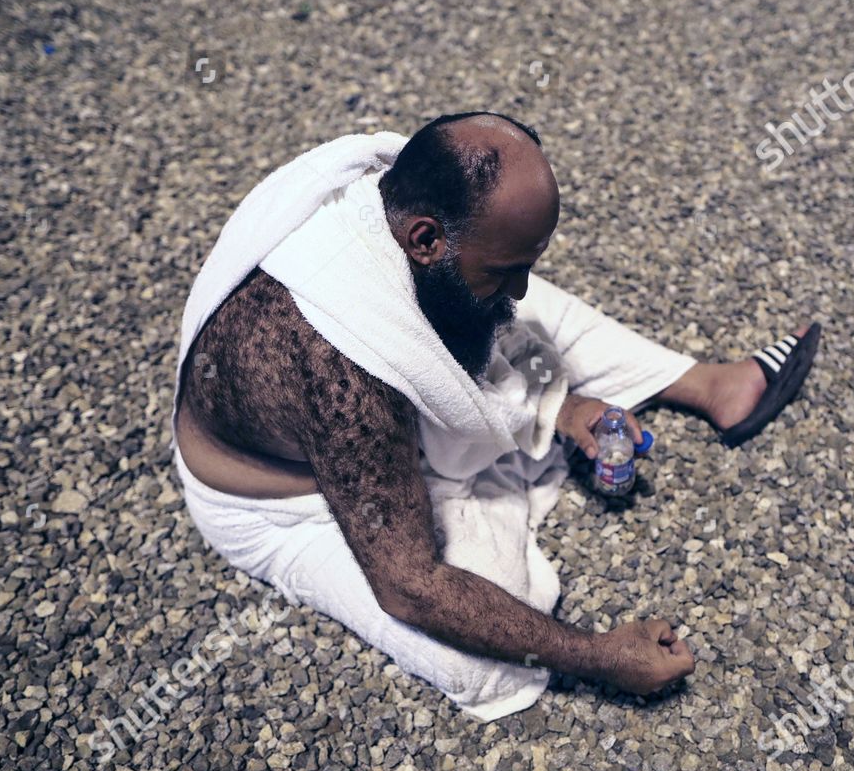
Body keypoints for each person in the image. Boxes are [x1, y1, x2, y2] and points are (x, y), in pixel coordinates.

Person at [172, 112, 820, 719]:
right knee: (488, 665)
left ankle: (711, 385)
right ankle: (488, 454)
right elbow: (411, 585)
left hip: (370, 419)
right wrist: (598, 657)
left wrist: (559, 409)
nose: (519, 289)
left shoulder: (392, 201)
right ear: (423, 240)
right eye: (509, 270)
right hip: (287, 506)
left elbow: (494, 308)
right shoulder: (339, 371)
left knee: (520, 316)